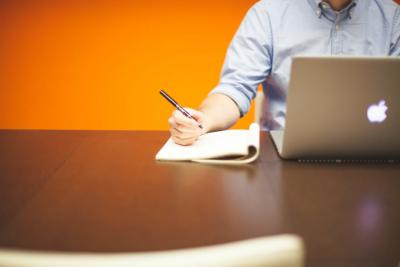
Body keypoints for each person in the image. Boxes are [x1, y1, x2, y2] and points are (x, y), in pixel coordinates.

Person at [168, 0, 400, 146]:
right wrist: (204, 119)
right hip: (282, 162)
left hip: (374, 157)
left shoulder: (392, 18)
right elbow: (234, 89)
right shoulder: (267, 14)